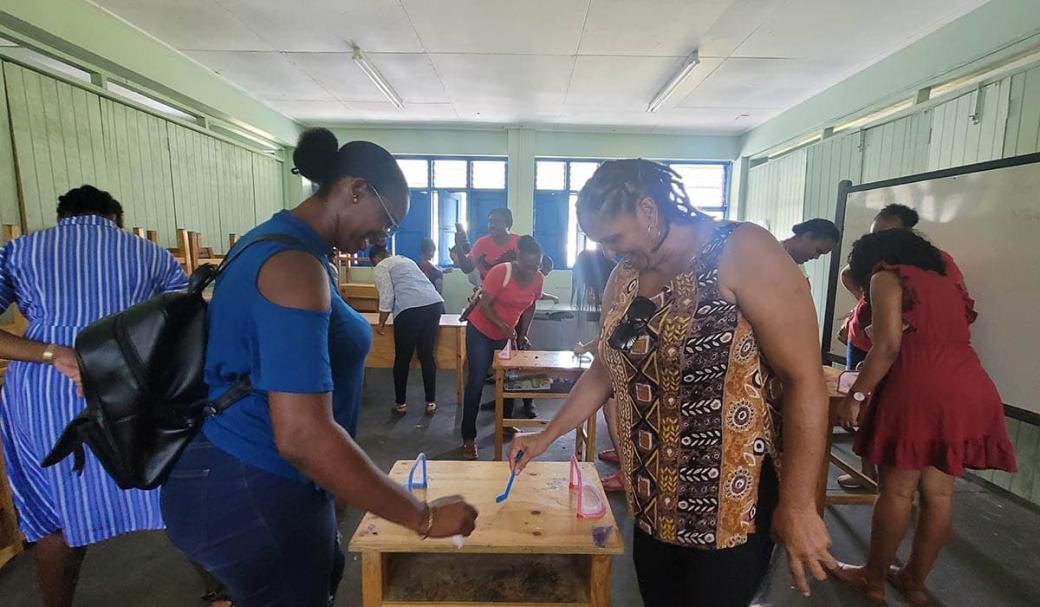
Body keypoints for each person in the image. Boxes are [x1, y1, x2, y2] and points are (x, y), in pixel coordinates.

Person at [160, 128, 477, 606]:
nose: (384, 237)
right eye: (387, 221)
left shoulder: (293, 248)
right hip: (252, 482)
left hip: (262, 476)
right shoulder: (293, 267)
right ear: (354, 190)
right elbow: (303, 437)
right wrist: (422, 517)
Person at [510, 159, 836, 606]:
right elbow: (605, 368)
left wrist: (799, 504)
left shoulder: (742, 250)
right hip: (651, 495)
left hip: (728, 500)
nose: (607, 252)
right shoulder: (625, 276)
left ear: (648, 210)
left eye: (612, 238)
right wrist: (545, 436)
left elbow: (804, 380)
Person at [0, 186, 190, 607]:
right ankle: (220, 585)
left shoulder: (19, 251)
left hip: (42, 392)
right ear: (115, 219)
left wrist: (53, 353)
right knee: (167, 483)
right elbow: (183, 316)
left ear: (62, 216)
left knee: (54, 510)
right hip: (129, 385)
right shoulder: (150, 254)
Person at [833, 229, 1015, 605]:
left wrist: (857, 395)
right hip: (969, 384)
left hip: (919, 385)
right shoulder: (946, 282)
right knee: (939, 493)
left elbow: (885, 346)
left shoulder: (888, 276)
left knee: (897, 491)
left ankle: (873, 578)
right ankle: (913, 581)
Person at [836, 203, 967, 490]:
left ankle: (892, 474)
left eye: (884, 234)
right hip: (865, 340)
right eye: (874, 233)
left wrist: (895, 317)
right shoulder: (876, 264)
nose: (876, 240)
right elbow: (849, 274)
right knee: (861, 408)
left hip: (901, 352)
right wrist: (865, 301)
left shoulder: (934, 262)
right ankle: (867, 469)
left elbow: (890, 344)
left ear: (905, 234)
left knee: (882, 414)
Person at [461, 235, 544, 460]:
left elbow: (530, 306)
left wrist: (523, 333)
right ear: (518, 256)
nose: (531, 271)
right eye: (527, 266)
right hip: (481, 329)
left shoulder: (537, 278)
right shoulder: (500, 272)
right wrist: (505, 328)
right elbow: (485, 306)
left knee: (510, 380)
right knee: (477, 380)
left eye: (535, 266)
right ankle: (468, 437)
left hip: (507, 333)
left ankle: (505, 424)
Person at [370, 245, 445, 416]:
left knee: (403, 358)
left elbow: (387, 296)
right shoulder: (406, 260)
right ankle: (431, 402)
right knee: (426, 355)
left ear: (375, 258)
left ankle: (401, 404)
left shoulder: (382, 266)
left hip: (409, 309)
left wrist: (381, 323)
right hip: (434, 304)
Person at [456, 207, 521, 281]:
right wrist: (459, 245)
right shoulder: (481, 244)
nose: (492, 225)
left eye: (497, 222)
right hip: (488, 289)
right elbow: (467, 268)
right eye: (490, 222)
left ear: (507, 224)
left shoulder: (519, 242)